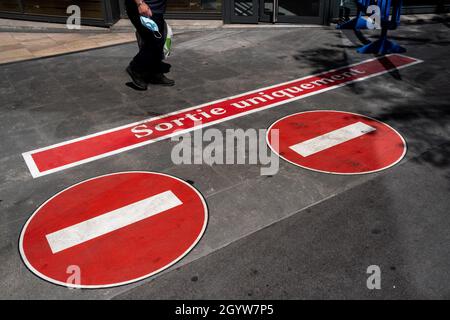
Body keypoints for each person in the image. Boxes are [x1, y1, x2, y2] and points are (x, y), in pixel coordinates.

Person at [125, 0, 174, 90]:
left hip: (156, 9)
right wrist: (140, 3)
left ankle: (154, 73)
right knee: (154, 42)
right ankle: (135, 68)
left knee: (158, 41)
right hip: (143, 9)